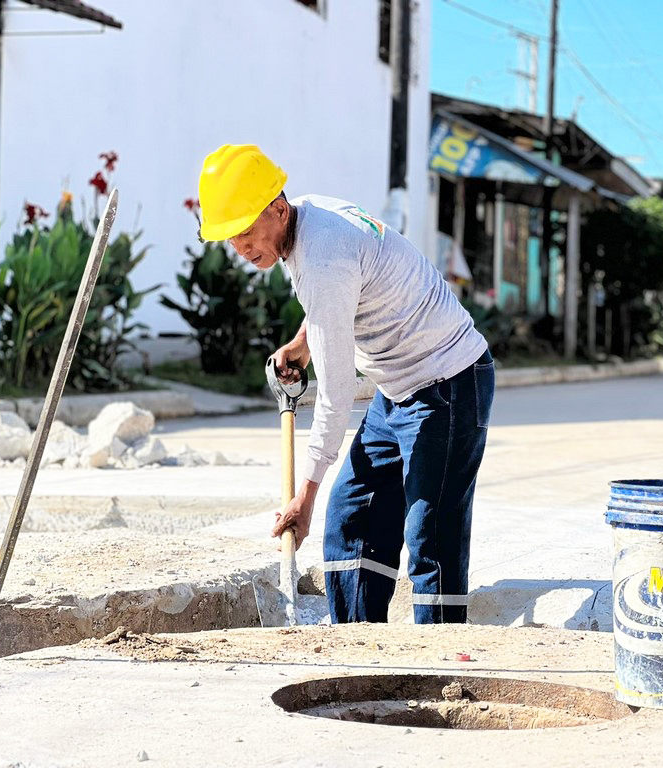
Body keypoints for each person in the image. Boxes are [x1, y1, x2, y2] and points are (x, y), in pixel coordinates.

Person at [197, 144, 495, 624]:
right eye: (231, 237)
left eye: (247, 231)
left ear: (278, 209)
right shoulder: (308, 219)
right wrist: (304, 342)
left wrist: (305, 495)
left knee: (430, 535)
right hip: (398, 387)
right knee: (354, 513)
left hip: (448, 384)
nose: (242, 248)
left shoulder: (322, 257)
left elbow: (335, 397)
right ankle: (358, 644)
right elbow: (337, 298)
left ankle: (439, 656)